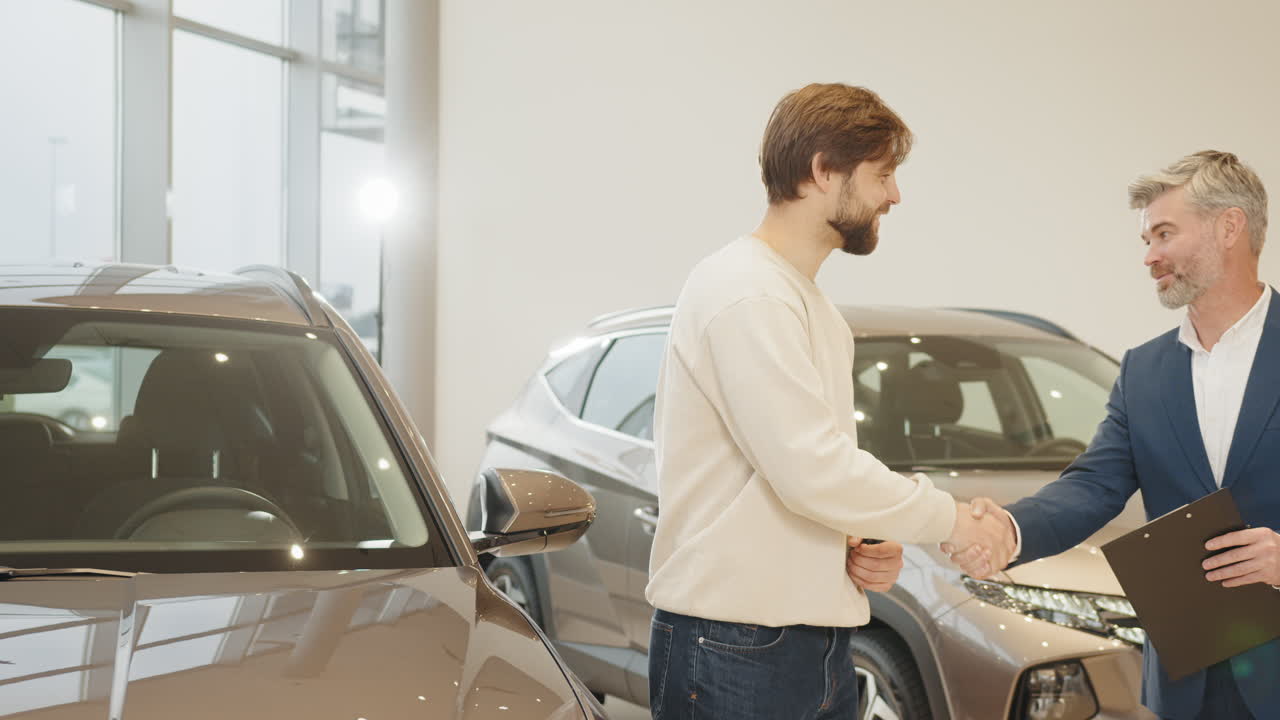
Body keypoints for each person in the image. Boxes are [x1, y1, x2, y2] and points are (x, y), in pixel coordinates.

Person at [643, 83, 1012, 720]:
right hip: (737, 647)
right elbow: (809, 469)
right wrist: (954, 520)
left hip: (801, 643)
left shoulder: (803, 301)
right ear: (822, 170)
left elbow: (802, 472)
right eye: (884, 174)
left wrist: (861, 538)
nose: (894, 196)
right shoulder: (748, 293)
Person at [951, 150, 1279, 720]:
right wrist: (1008, 527)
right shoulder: (1143, 370)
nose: (1149, 256)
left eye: (1164, 233)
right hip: (1188, 679)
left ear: (1230, 226)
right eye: (1145, 240)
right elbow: (1093, 486)